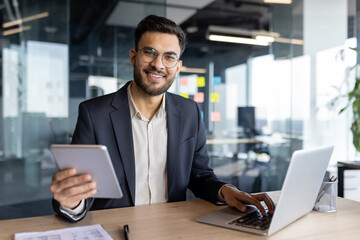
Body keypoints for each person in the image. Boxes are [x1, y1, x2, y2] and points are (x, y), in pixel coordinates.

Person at [50, 14, 275, 222]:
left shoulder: (190, 113)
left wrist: (226, 191)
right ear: (133, 57)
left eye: (169, 57)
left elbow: (200, 175)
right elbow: (81, 188)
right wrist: (72, 202)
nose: (158, 64)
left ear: (177, 68)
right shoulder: (94, 114)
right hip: (116, 228)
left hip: (172, 227)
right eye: (150, 52)